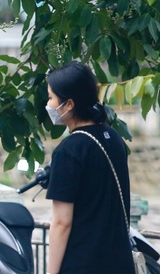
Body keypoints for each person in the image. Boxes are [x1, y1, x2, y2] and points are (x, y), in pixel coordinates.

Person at [45, 61, 135, 274]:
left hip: (83, 264)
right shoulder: (113, 138)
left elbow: (61, 223)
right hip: (119, 263)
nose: (48, 105)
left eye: (50, 97)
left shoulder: (69, 150)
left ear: (68, 104)